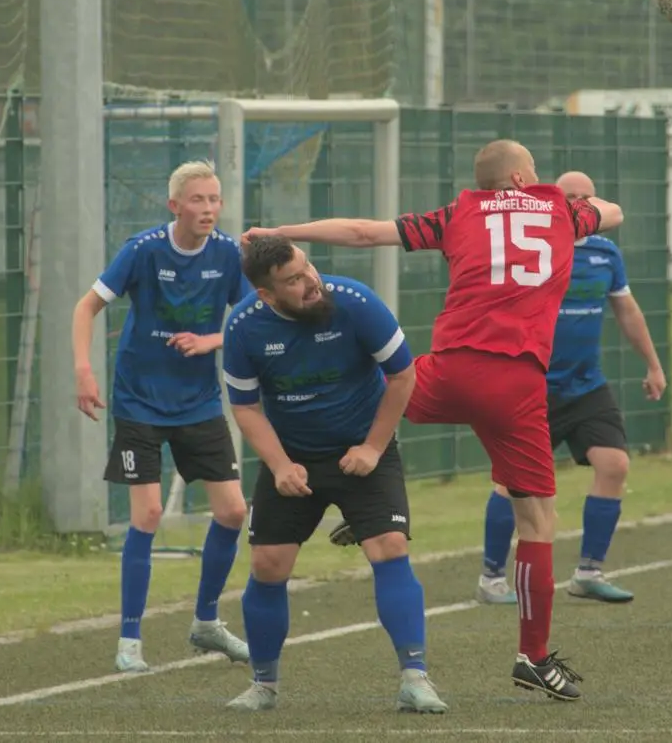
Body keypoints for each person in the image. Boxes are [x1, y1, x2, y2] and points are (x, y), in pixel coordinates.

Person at [244, 139, 623, 703]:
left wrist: (284, 231)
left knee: (379, 391)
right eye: (534, 173)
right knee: (537, 519)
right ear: (522, 178)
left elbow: (364, 232)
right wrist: (567, 206)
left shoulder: (458, 213)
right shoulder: (561, 210)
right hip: (516, 382)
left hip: (446, 371)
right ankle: (533, 655)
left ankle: (364, 501)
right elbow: (612, 212)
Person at [219, 234, 447, 714]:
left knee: (389, 546)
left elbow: (403, 376)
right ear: (266, 294)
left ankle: (415, 678)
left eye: (308, 269)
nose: (311, 283)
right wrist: (280, 466)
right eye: (294, 280)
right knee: (267, 564)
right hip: (295, 457)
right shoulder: (244, 326)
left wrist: (372, 446)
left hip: (365, 449)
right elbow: (245, 407)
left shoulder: (356, 301)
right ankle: (264, 685)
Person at [72, 160, 253, 673]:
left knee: (233, 513)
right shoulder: (143, 250)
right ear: (175, 206)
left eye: (215, 200)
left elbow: (248, 317)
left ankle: (207, 622)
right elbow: (86, 307)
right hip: (139, 401)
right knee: (147, 514)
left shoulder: (228, 254)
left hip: (197, 404)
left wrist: (211, 340)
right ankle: (130, 639)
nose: (209, 209)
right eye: (198, 200)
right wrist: (84, 370)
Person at [468, 170, 666, 607]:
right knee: (511, 484)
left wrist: (653, 364)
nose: (578, 205)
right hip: (529, 386)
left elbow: (628, 311)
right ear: (552, 202)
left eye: (586, 198)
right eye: (569, 197)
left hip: (585, 384)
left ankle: (589, 573)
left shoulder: (605, 253)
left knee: (614, 465)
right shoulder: (529, 251)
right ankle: (491, 577)